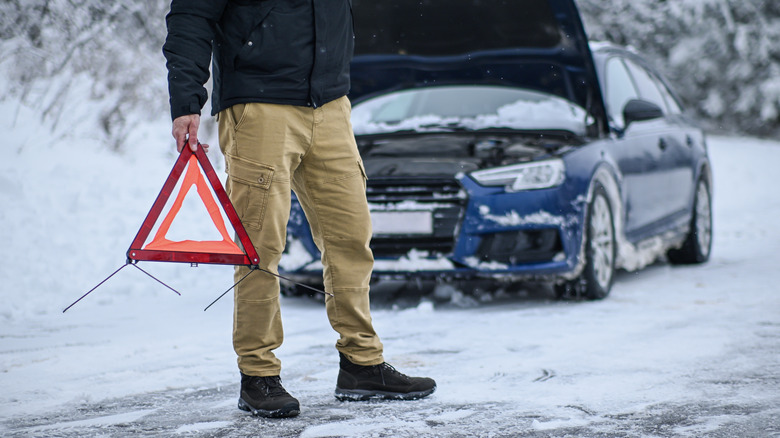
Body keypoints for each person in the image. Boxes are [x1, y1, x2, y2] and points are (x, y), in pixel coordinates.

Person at [162, 0, 436, 418]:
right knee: (260, 246)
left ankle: (361, 363)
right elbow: (191, 15)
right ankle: (258, 374)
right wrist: (186, 100)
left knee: (350, 238)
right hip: (259, 104)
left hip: (330, 105)